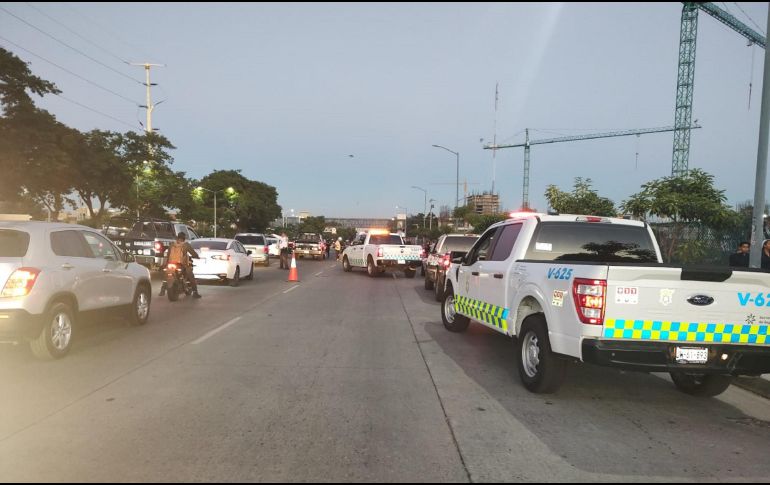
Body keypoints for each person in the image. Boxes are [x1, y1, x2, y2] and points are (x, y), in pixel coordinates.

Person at [160, 232, 201, 298]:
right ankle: (195, 292)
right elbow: (193, 253)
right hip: (181, 265)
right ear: (184, 238)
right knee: (191, 276)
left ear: (177, 237)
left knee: (167, 274)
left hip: (170, 263)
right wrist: (197, 256)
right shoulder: (186, 245)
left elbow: (168, 255)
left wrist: (166, 264)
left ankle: (162, 290)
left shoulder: (172, 244)